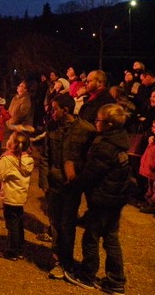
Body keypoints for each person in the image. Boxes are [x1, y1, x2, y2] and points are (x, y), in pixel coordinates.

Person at [65, 104, 131, 294]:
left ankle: (87, 275)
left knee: (91, 238)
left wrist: (72, 181)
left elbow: (90, 175)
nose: (95, 122)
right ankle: (116, 281)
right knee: (111, 238)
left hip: (103, 199)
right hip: (115, 199)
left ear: (108, 124)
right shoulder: (119, 140)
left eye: (98, 120)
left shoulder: (105, 147)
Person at [39, 93, 96, 280]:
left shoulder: (86, 130)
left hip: (71, 186)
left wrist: (81, 180)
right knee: (55, 223)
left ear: (66, 110)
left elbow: (90, 160)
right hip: (54, 184)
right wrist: (44, 181)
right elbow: (45, 155)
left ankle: (67, 261)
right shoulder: (52, 127)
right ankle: (59, 260)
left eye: (54, 109)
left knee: (67, 224)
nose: (51, 112)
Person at [0, 131, 35, 261]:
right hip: (19, 197)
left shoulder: (9, 160)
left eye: (9, 138)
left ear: (13, 144)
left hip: (10, 197)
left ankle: (12, 251)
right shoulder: (27, 160)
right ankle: (19, 247)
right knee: (18, 223)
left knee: (12, 225)